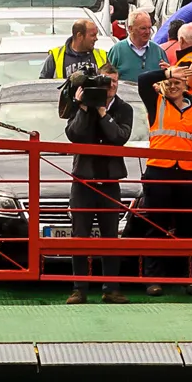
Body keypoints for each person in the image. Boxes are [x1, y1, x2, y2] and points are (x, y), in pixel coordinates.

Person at [136, 61, 192, 295]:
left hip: (189, 175)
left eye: (178, 83)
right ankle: (153, 279)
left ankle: (190, 277)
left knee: (189, 227)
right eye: (169, 82)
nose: (173, 86)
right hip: (159, 171)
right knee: (156, 226)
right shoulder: (156, 103)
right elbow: (142, 80)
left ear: (185, 86)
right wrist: (167, 71)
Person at [60, 60, 135, 304]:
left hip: (110, 180)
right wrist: (82, 107)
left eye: (113, 82)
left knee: (110, 237)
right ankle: (79, 289)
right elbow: (74, 135)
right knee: (79, 236)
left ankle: (111, 288)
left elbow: (118, 137)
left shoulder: (124, 109)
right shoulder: (82, 105)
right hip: (84, 179)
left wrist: (103, 112)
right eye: (105, 82)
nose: (109, 86)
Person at [40, 18, 107, 80]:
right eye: (93, 35)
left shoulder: (102, 55)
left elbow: (113, 81)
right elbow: (43, 86)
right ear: (79, 35)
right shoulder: (55, 56)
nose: (96, 38)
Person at [108, 10, 162, 80]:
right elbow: (107, 78)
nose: (148, 32)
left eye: (149, 28)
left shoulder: (158, 51)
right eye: (143, 28)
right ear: (130, 29)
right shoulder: (117, 51)